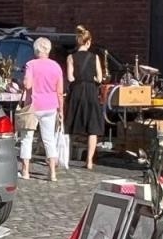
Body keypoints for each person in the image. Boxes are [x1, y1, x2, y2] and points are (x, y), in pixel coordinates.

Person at [18, 37, 65, 182]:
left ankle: (25, 171)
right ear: (49, 50)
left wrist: (23, 81)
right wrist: (61, 110)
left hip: (33, 105)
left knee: (27, 139)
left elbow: (27, 84)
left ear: (35, 50)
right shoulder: (56, 66)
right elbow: (59, 91)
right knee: (49, 139)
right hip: (51, 106)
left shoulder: (31, 64)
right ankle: (52, 172)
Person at [65, 25, 105, 170]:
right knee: (92, 128)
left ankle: (66, 158)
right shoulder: (95, 57)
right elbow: (100, 79)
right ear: (88, 42)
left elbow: (70, 77)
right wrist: (92, 77)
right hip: (91, 92)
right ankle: (89, 161)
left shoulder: (70, 57)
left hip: (76, 91)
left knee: (70, 125)